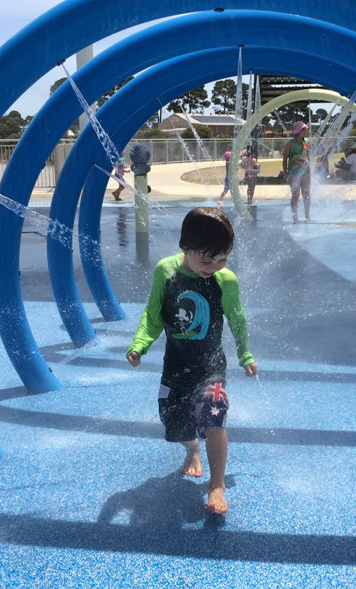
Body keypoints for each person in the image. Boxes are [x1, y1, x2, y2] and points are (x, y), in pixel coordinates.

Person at [126, 207, 257, 515]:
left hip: (211, 366)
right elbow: (153, 315)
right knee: (174, 424)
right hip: (176, 366)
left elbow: (237, 320)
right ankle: (192, 449)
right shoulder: (166, 272)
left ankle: (216, 485)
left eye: (222, 257)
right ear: (184, 247)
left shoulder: (225, 281)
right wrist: (140, 344)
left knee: (214, 416)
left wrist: (245, 353)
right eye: (206, 258)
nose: (214, 266)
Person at [282, 121, 311, 223]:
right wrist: (285, 173)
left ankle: (307, 216)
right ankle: (295, 217)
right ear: (298, 131)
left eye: (305, 129)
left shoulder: (306, 142)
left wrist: (305, 161)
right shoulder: (290, 144)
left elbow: (308, 156)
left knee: (306, 193)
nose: (305, 131)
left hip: (306, 171)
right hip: (293, 172)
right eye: (303, 130)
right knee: (296, 195)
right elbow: (285, 158)